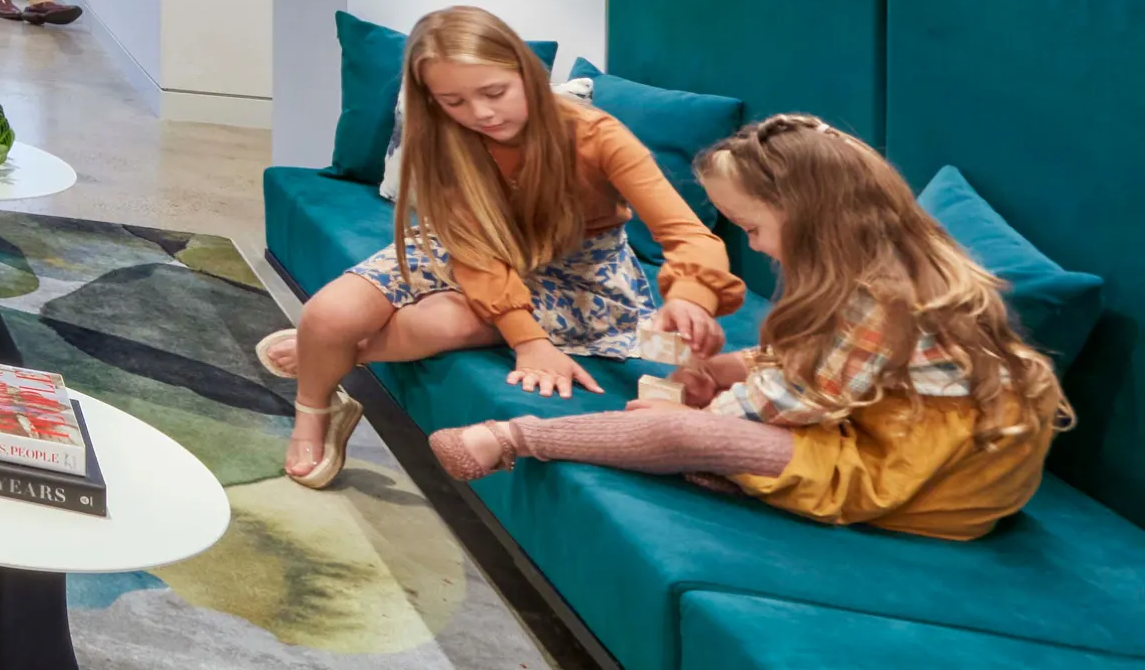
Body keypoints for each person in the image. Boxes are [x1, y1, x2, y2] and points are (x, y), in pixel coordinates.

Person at [431, 115, 1069, 540]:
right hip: (894, 424)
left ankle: (514, 438)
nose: (756, 247)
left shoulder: (882, 299)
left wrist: (704, 409)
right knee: (709, 391)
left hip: (923, 477)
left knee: (677, 429)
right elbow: (818, 366)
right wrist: (723, 371)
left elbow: (800, 396)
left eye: (753, 229)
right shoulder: (875, 262)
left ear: (811, 214)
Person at [257, 5, 743, 490]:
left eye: (494, 93)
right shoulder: (444, 138)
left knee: (435, 324)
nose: (481, 114)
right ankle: (314, 409)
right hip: (472, 249)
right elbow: (474, 251)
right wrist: (527, 340)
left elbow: (686, 233)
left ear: (526, 72)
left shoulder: (597, 135)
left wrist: (691, 298)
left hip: (577, 273)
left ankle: (331, 355)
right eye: (454, 101)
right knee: (326, 316)